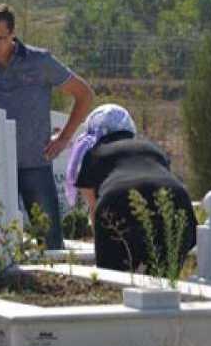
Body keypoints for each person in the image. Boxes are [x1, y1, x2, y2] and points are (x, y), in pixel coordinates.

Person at [0, 3, 93, 250]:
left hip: (36, 164)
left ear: (13, 34)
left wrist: (64, 138)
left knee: (50, 244)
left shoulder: (40, 62)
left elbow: (84, 95)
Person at [65, 104, 196, 272]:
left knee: (115, 278)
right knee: (164, 273)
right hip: (176, 198)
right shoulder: (153, 148)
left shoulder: (94, 154)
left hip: (117, 199)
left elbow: (94, 207)